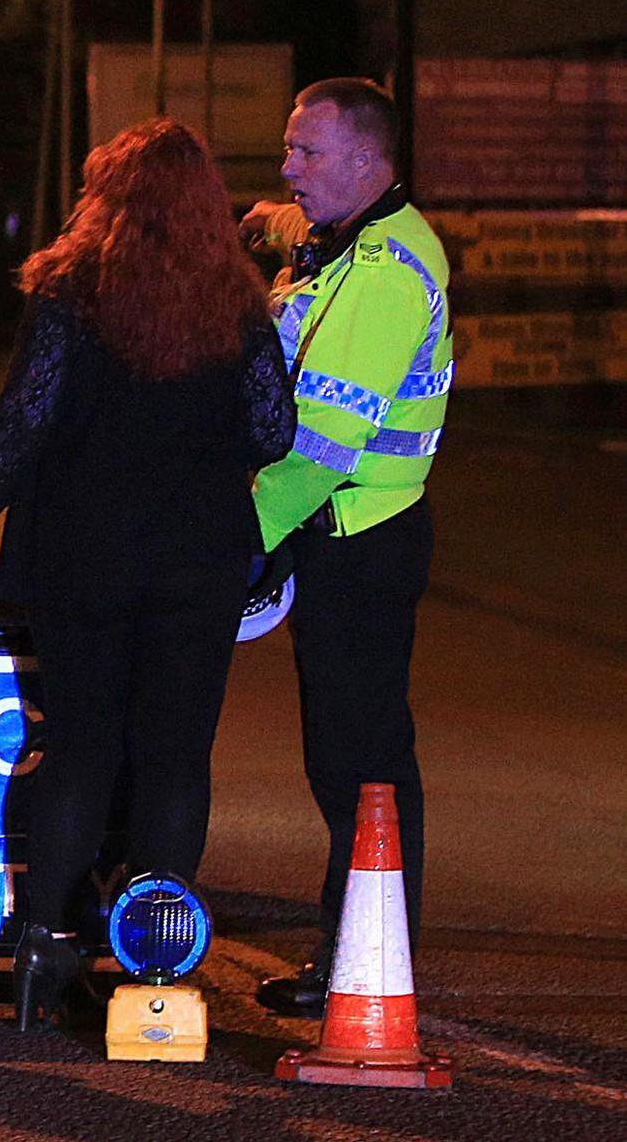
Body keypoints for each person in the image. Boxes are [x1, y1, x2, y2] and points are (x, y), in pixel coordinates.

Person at [0, 121, 294, 1027]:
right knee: (176, 754)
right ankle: (157, 956)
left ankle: (42, 950)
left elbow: (24, 420)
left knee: (81, 746)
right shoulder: (237, 301)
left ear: (105, 198)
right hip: (198, 561)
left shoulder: (69, 293)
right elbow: (273, 432)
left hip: (83, 556)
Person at [248, 76, 454, 1019]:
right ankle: (361, 956)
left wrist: (235, 539)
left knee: (359, 761)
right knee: (352, 756)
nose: (289, 169)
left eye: (307, 153)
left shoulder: (380, 272)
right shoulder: (353, 246)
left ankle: (364, 966)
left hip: (356, 539)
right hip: (355, 537)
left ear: (370, 162)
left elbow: (323, 443)